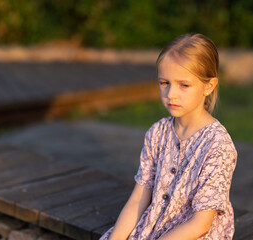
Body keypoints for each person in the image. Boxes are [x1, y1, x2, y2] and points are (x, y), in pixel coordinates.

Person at [99, 33, 237, 240]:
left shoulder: (217, 145)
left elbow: (200, 224)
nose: (171, 93)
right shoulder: (157, 133)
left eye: (184, 85)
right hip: (154, 225)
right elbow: (139, 199)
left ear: (208, 86)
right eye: (164, 83)